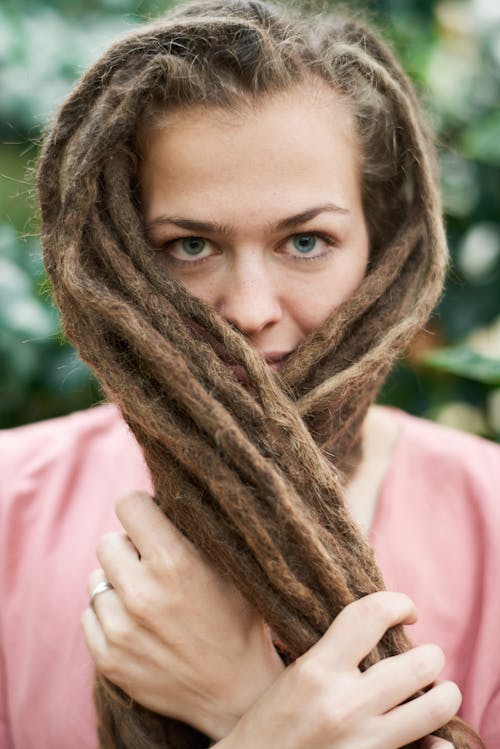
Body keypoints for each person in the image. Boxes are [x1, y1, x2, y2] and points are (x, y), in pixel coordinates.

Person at [0, 0, 499, 747]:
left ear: (383, 244)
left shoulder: (490, 515)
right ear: (123, 251)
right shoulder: (12, 504)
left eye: (305, 240)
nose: (250, 309)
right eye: (190, 246)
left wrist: (243, 697)